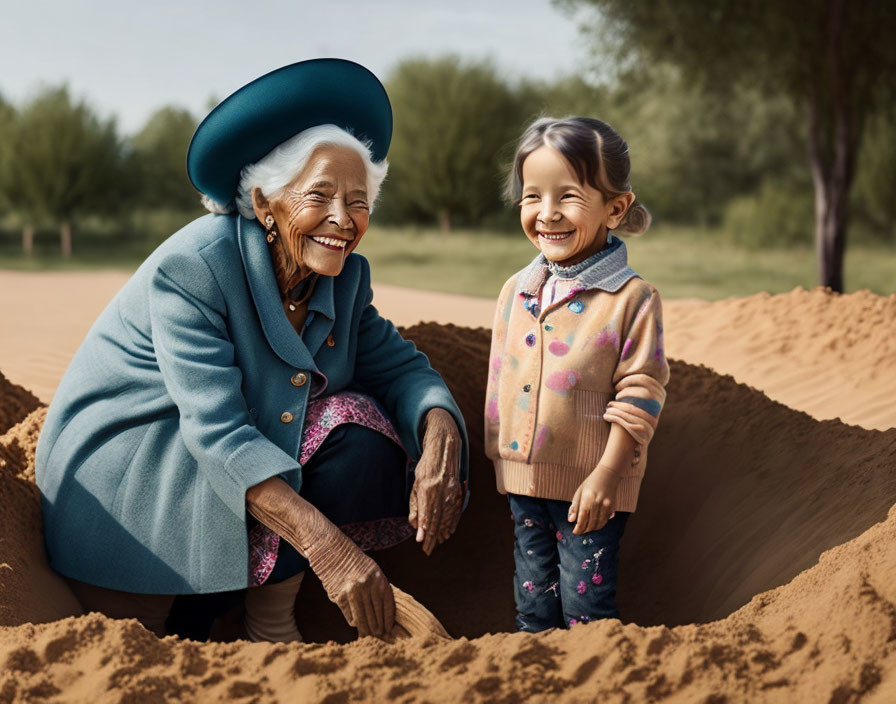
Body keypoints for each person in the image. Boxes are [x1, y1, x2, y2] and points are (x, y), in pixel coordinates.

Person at [35, 59, 468, 642]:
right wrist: (331, 553)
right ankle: (200, 609)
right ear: (266, 203)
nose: (343, 220)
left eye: (359, 202)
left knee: (355, 429)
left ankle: (267, 619)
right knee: (157, 627)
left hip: (238, 445)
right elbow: (217, 433)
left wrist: (440, 434)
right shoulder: (194, 268)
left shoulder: (344, 279)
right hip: (139, 459)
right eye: (320, 196)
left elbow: (401, 369)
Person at [484, 116, 669, 632]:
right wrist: (501, 459)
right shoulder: (515, 290)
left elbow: (641, 393)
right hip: (524, 483)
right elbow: (501, 378)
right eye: (532, 196)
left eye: (567, 196)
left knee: (585, 610)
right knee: (534, 605)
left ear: (615, 208)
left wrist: (608, 476)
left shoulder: (632, 299)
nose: (547, 214)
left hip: (593, 485)